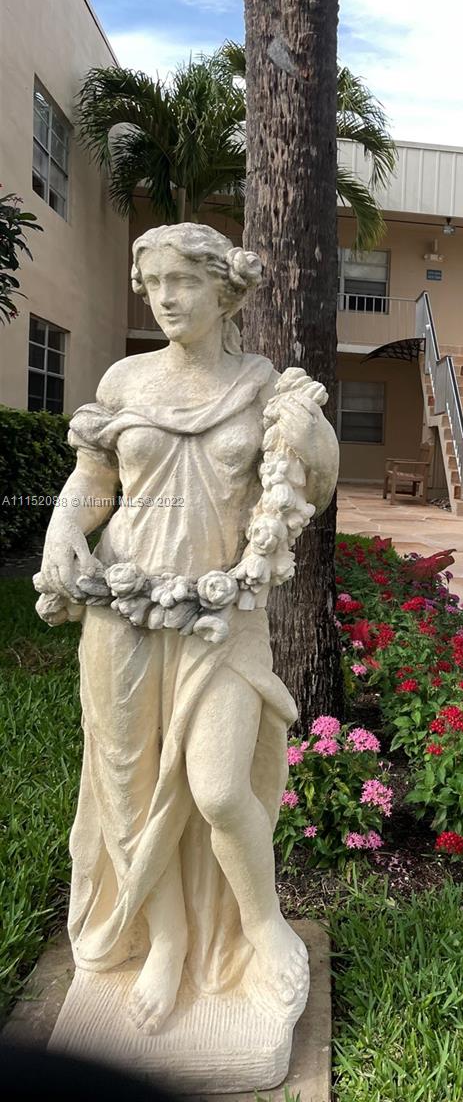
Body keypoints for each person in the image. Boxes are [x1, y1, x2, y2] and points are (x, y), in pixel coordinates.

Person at [36, 224, 338, 1034]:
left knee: (217, 787)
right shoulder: (126, 380)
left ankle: (264, 926)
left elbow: (310, 483)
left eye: (184, 282)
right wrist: (63, 528)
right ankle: (165, 940)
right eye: (154, 283)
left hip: (222, 615)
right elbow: (94, 481)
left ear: (224, 291)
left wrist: (314, 437)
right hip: (125, 609)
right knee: (131, 791)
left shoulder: (263, 384)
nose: (165, 299)